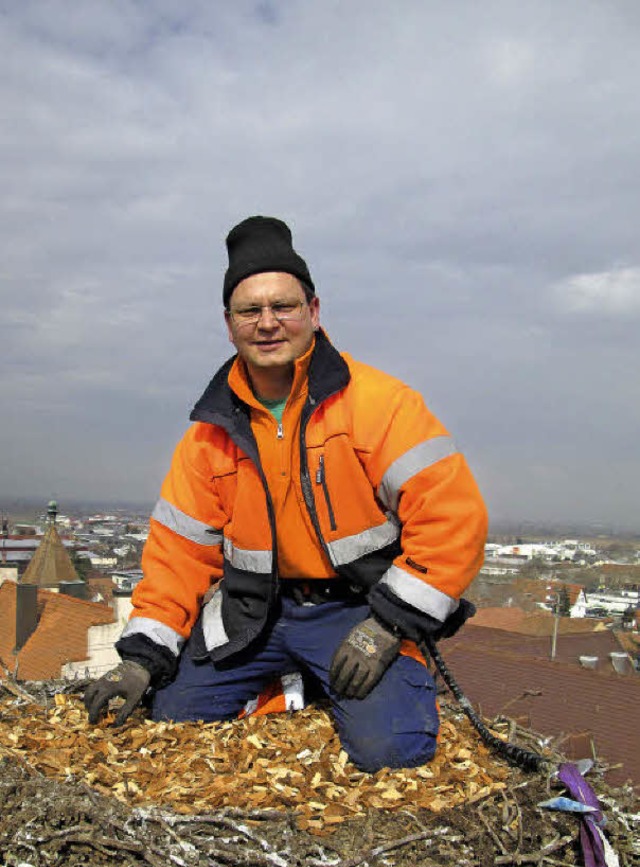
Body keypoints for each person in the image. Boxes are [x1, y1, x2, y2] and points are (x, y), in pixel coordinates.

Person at [85, 216, 488, 772]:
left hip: (355, 612)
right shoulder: (208, 435)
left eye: (284, 306)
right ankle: (294, 680)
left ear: (314, 312)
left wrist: (389, 626)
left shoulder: (381, 405)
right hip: (253, 614)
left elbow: (451, 520)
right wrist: (140, 659)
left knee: (393, 752)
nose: (268, 323)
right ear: (229, 325)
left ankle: (321, 678)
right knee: (170, 725)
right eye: (250, 311)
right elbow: (178, 556)